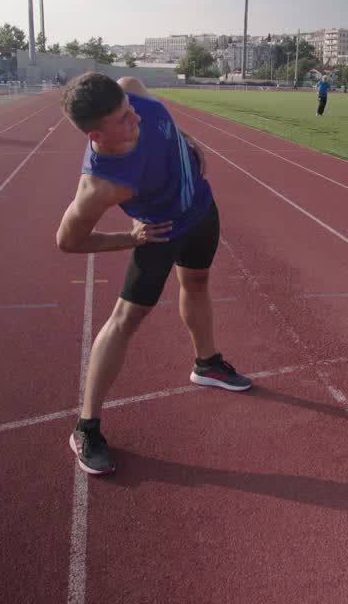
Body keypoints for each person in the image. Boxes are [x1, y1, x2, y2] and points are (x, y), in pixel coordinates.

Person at [56, 72, 250, 475]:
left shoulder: (129, 91)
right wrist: (130, 239)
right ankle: (86, 427)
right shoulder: (100, 184)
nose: (136, 120)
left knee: (197, 282)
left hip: (201, 210)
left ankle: (206, 363)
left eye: (131, 111)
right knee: (126, 319)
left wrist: (186, 140)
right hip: (160, 233)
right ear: (96, 135)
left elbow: (155, 116)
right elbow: (68, 241)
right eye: (123, 120)